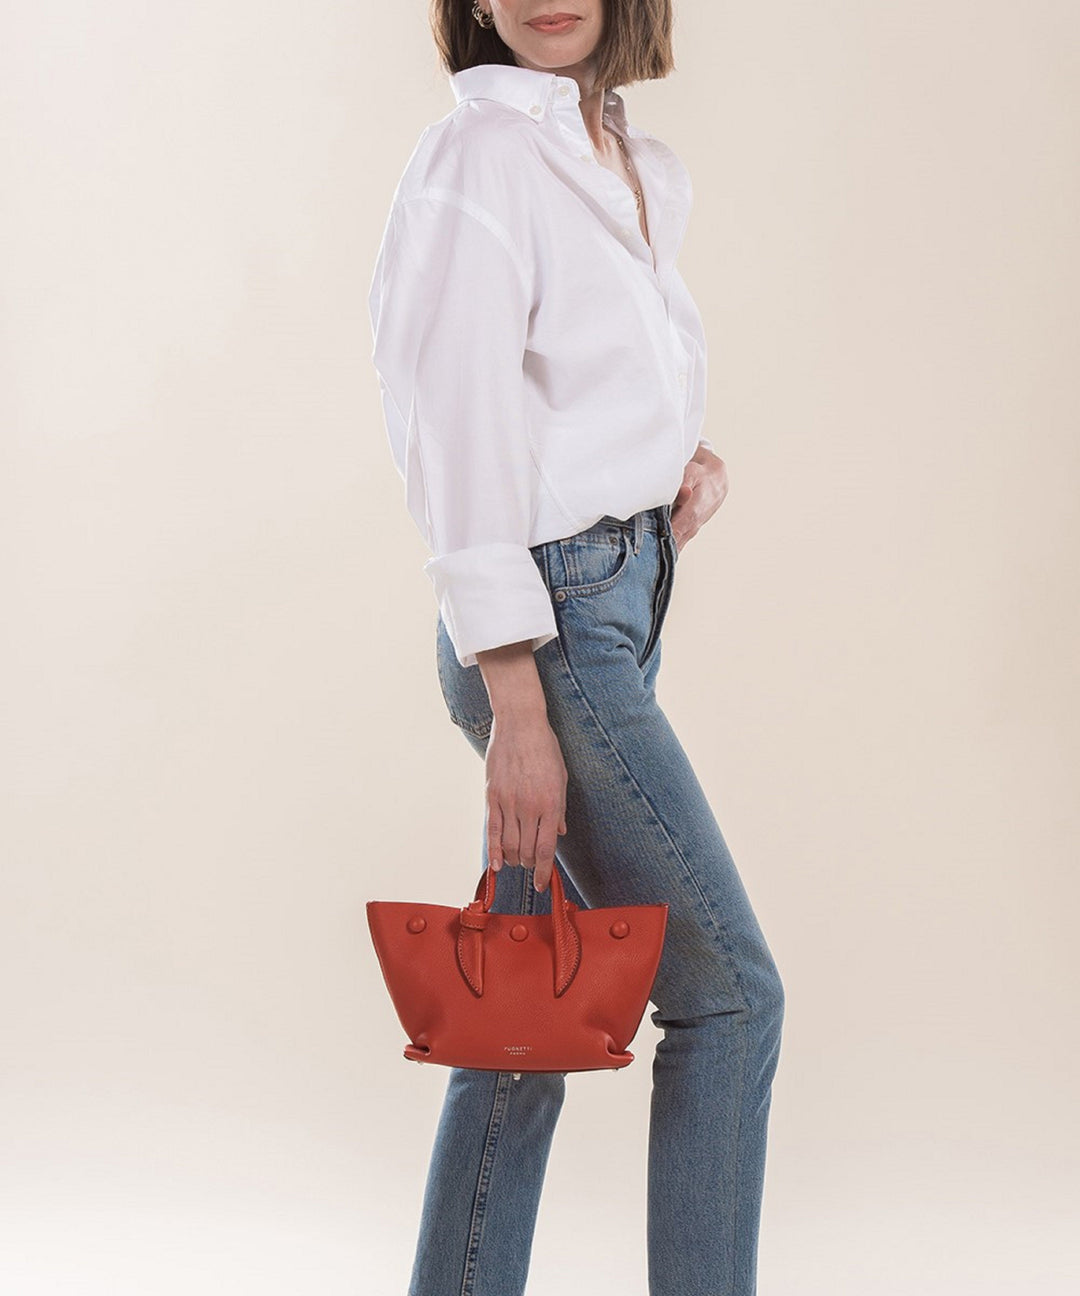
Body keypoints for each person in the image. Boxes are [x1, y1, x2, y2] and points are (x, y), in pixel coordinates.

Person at [367, 3, 785, 1294]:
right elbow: (456, 426)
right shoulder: (482, 156)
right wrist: (517, 706)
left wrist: (665, 481)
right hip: (546, 637)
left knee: (523, 1019)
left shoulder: (613, 150)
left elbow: (570, 397)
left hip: (610, 595)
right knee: (729, 1000)